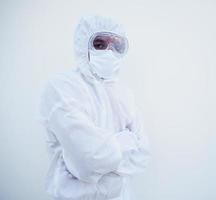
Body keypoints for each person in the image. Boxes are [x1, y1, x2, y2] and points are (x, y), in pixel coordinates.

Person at [38, 15, 151, 200]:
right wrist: (122, 143)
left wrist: (104, 152)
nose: (109, 52)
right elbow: (88, 160)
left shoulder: (124, 94)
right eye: (99, 44)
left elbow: (142, 156)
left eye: (116, 46)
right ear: (83, 45)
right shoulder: (61, 88)